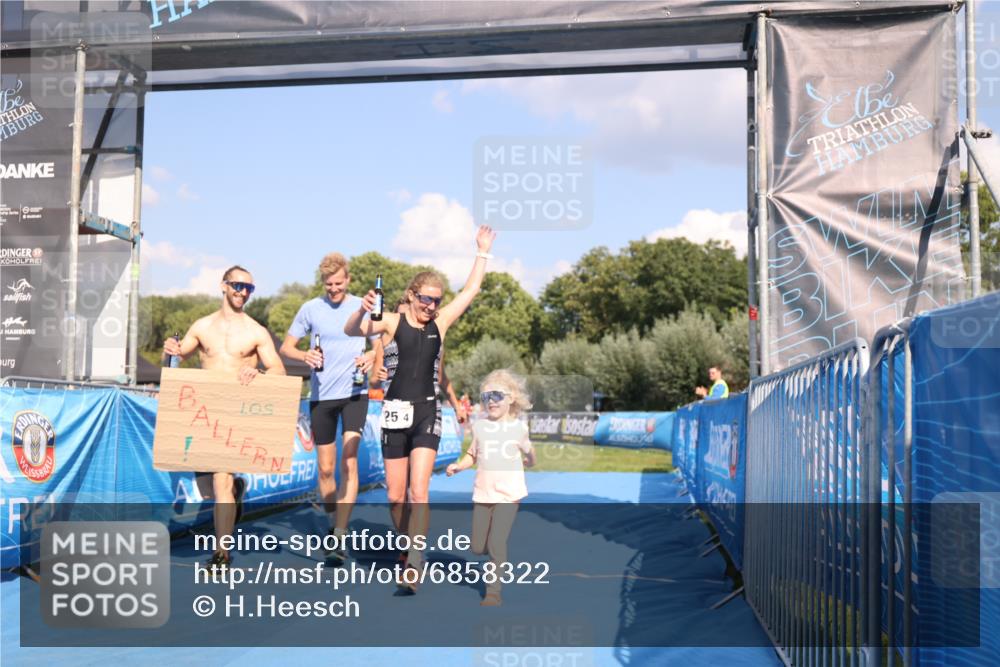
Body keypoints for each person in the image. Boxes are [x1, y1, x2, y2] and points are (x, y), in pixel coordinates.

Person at [345, 224, 496, 592]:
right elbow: (354, 331)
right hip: (394, 413)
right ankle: (407, 543)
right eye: (426, 299)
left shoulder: (441, 324)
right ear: (412, 295)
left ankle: (414, 559)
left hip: (428, 412)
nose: (431, 306)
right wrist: (360, 312)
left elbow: (472, 289)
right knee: (395, 497)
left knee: (418, 492)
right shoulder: (393, 321)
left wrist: (482, 252)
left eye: (436, 300)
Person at [162, 265, 286, 572]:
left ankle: (221, 555)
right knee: (211, 487)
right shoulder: (202, 326)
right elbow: (178, 356)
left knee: (220, 479)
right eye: (237, 285)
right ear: (223, 286)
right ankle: (236, 495)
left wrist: (256, 371)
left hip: (237, 408)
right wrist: (170, 350)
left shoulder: (256, 331)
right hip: (204, 409)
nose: (242, 292)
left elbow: (279, 370)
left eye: (249, 288)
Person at [279, 252, 377, 565]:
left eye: (338, 283)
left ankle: (340, 534)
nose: (333, 289)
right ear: (322, 282)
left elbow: (382, 345)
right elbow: (286, 347)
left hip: (354, 393)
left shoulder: (362, 304)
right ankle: (334, 520)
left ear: (348, 280)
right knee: (325, 469)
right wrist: (303, 356)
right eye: (328, 284)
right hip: (321, 396)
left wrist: (371, 358)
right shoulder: (311, 308)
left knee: (348, 461)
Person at [446, 369, 535, 606]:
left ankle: (493, 591)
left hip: (509, 494)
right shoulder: (480, 427)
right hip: (483, 494)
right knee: (477, 547)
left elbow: (529, 450)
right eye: (486, 396)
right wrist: (459, 466)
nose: (491, 401)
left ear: (511, 398)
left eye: (497, 395)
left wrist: (531, 461)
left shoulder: (519, 428)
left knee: (496, 543)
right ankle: (489, 553)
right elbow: (471, 455)